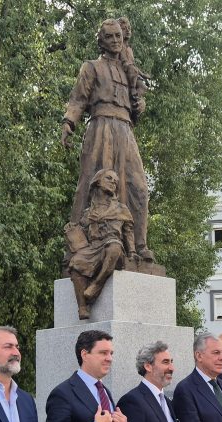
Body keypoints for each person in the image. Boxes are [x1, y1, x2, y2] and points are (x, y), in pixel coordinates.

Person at [62, 18, 155, 263]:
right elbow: (78, 99)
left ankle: (139, 245)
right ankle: (77, 244)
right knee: (92, 183)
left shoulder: (129, 72)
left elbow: (135, 108)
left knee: (138, 188)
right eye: (109, 37)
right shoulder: (91, 67)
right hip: (100, 127)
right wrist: (69, 123)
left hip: (125, 131)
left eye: (118, 36)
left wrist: (140, 105)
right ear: (101, 42)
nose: (115, 41)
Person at [65, 169, 138, 319]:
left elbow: (128, 232)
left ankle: (97, 285)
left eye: (115, 182)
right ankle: (82, 307)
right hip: (93, 247)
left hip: (113, 244)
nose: (113, 182)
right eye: (109, 178)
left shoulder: (121, 209)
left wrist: (132, 252)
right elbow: (82, 230)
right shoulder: (89, 211)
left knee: (114, 247)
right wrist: (73, 229)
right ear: (97, 181)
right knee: (76, 263)